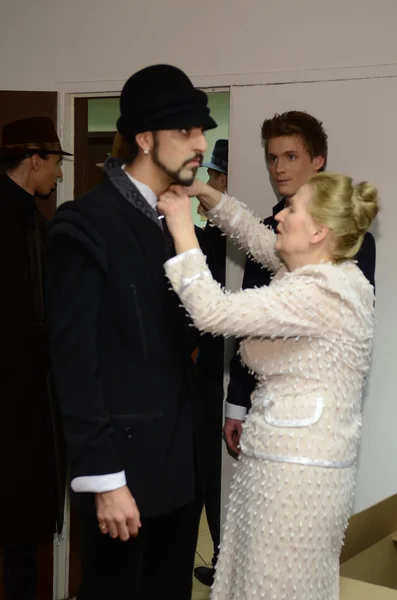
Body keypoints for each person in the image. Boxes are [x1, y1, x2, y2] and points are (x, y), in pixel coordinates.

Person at [158, 171, 379, 599]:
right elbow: (258, 239)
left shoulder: (322, 294)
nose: (279, 216)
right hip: (285, 465)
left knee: (272, 586)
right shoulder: (333, 272)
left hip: (293, 480)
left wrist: (183, 229)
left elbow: (212, 312)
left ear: (318, 231)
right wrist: (209, 195)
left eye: (292, 209)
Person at [46, 64, 216, 600]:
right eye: (185, 131)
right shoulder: (85, 225)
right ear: (145, 138)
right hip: (124, 478)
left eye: (200, 130)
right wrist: (104, 479)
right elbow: (74, 366)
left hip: (181, 473)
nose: (200, 144)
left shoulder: (179, 220)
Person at [224, 111, 376, 456]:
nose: (279, 168)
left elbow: (351, 335)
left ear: (318, 160)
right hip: (261, 402)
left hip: (317, 414)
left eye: (291, 157)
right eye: (273, 158)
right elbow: (247, 320)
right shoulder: (267, 231)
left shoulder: (351, 237)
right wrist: (236, 402)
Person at [0, 116, 69, 600]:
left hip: (28, 408)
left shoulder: (35, 222)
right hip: (15, 409)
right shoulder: (13, 221)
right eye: (56, 163)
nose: (60, 175)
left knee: (22, 533)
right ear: (36, 159)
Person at [194, 140, 228, 587]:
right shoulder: (208, 236)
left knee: (214, 473)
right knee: (208, 470)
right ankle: (222, 561)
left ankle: (225, 563)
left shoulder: (220, 238)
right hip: (205, 374)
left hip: (215, 373)